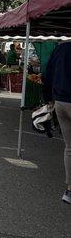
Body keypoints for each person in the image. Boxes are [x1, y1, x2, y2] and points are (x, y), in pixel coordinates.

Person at [43, 42, 71, 204]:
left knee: (69, 147)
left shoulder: (61, 48)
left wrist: (48, 98)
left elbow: (47, 73)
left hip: (60, 101)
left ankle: (69, 190)